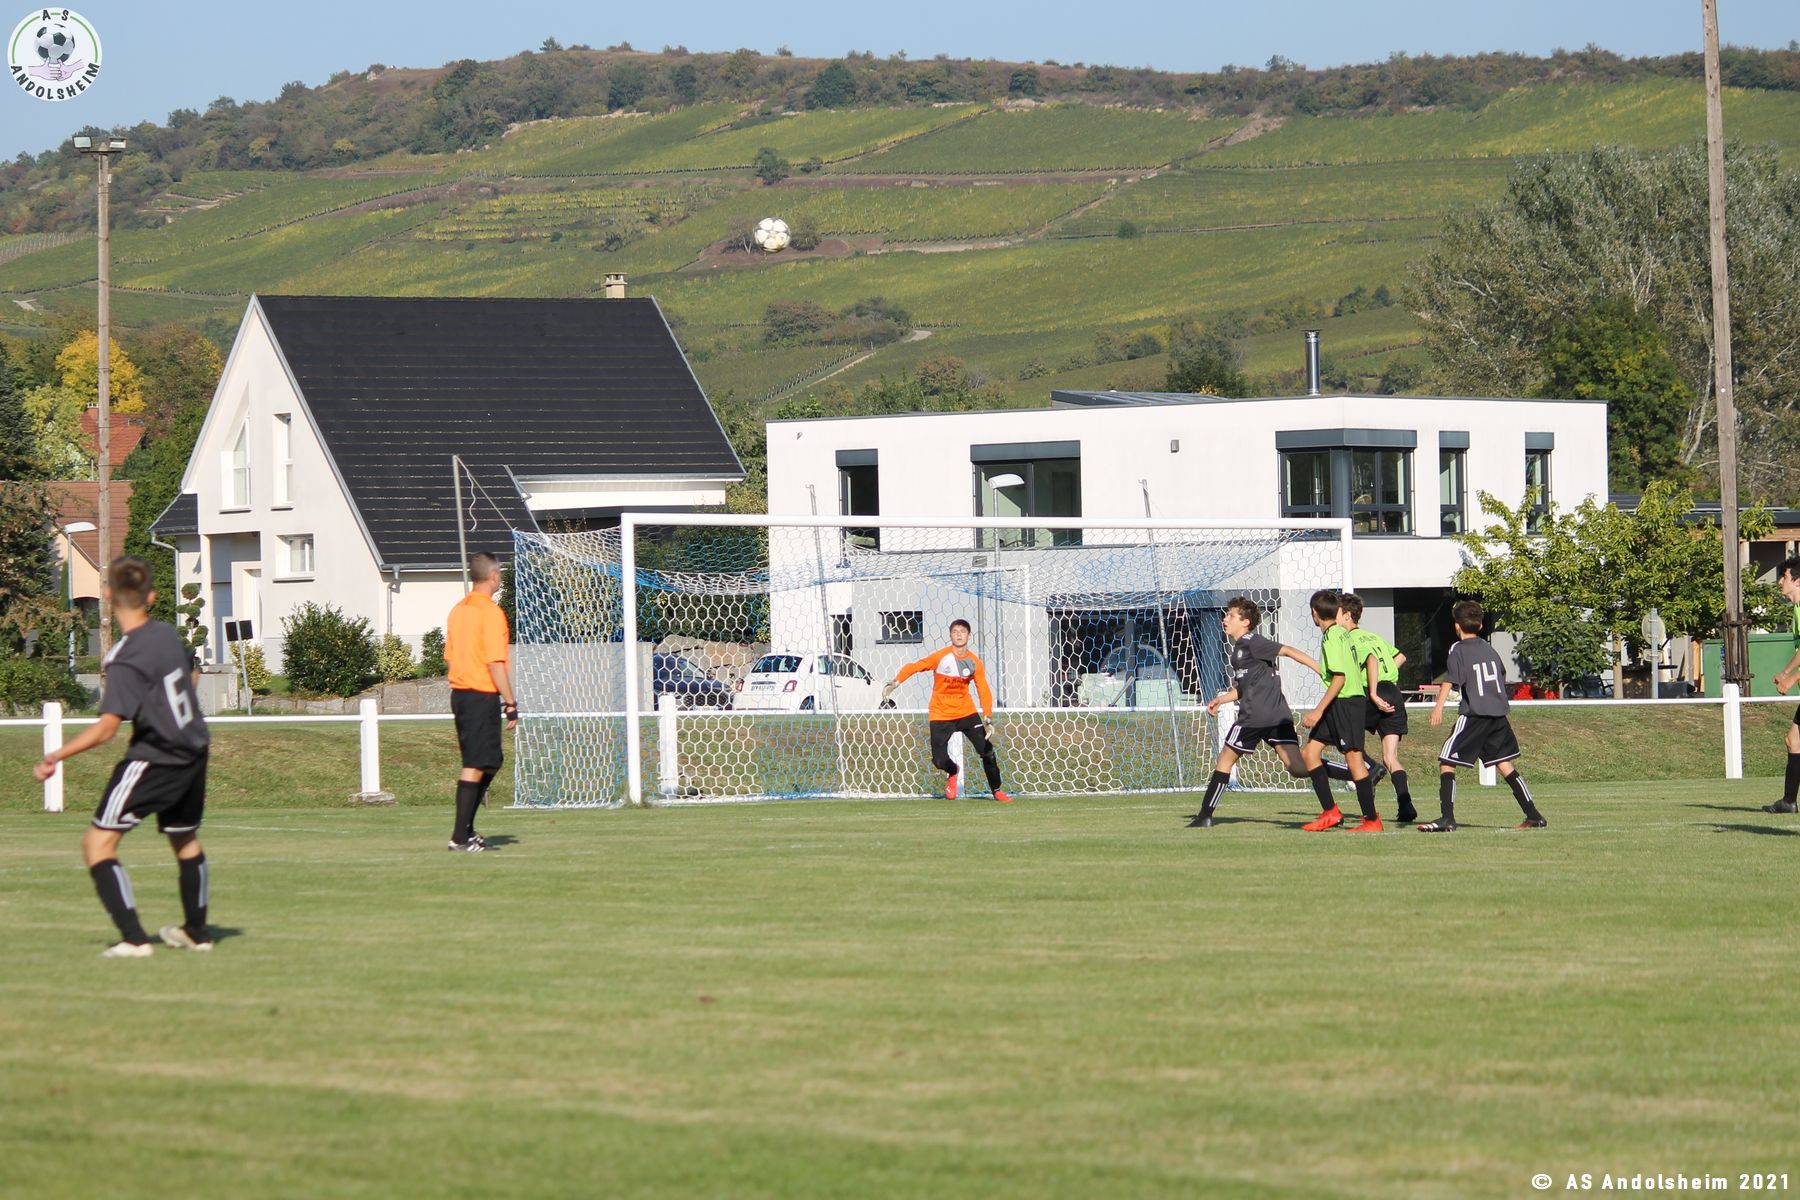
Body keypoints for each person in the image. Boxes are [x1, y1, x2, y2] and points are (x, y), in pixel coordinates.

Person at [33, 557, 212, 957]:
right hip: (195, 748)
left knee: (97, 844)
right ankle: (197, 933)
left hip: (155, 757)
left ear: (107, 594)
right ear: (151, 596)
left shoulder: (124, 657)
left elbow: (107, 729)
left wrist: (56, 755)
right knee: (183, 837)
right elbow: (188, 676)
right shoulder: (165, 634)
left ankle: (134, 939)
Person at [1187, 596, 1325, 828]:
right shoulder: (1239, 651)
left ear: (1246, 622)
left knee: (1224, 760)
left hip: (1254, 717)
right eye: (1226, 615)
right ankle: (1356, 772)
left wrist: (1320, 669)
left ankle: (1205, 816)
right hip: (1277, 715)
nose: (1225, 619)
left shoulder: (1252, 642)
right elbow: (1243, 688)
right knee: (1298, 767)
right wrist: (1221, 699)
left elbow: (1288, 650)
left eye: (1231, 615)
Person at [1424, 599, 1547, 832]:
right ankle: (1534, 815)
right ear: (1480, 626)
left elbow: (1450, 680)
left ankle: (1447, 818)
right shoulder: (1490, 649)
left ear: (1456, 626)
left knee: (1447, 762)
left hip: (1475, 715)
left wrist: (1438, 707)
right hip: (1498, 714)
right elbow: (1500, 674)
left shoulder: (1458, 649)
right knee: (1504, 763)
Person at [884, 618, 1010, 803]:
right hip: (941, 714)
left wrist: (988, 717)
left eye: (962, 631)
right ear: (950, 635)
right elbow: (915, 666)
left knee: (987, 750)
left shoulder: (974, 662)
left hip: (966, 713)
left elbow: (983, 689)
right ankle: (953, 771)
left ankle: (997, 791)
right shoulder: (941, 657)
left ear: (969, 636)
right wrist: (897, 681)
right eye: (955, 632)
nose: (959, 635)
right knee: (939, 761)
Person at [446, 551, 517, 851]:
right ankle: (459, 838)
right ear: (493, 576)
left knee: (491, 762)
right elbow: (494, 663)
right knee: (476, 764)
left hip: (461, 695)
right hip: (479, 694)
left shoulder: (458, 610)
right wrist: (510, 703)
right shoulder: (490, 612)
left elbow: (450, 658)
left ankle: (467, 830)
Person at [1299, 589, 1381, 832]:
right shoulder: (1341, 633)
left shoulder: (1333, 636)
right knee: (1310, 753)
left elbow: (1339, 678)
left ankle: (1371, 821)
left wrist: (1317, 711)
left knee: (1354, 760)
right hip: (1340, 703)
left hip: (1347, 702)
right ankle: (1331, 813)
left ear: (1314, 613)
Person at [1337, 592, 1416, 824]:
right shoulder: (1373, 636)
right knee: (1391, 757)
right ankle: (1406, 805)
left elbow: (1371, 659)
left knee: (1341, 734)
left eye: (1336, 613)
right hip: (1392, 692)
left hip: (1371, 693)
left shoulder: (1349, 639)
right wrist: (1384, 680)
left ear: (1347, 615)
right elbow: (1400, 657)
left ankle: (1371, 768)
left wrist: (1373, 691)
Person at [1764, 557, 1800, 814]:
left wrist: (1792, 678)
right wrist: (1786, 672)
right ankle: (1788, 802)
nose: (1779, 581)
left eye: (1784, 576)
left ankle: (1788, 801)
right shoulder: (1797, 610)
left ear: (1797, 581)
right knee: (1793, 740)